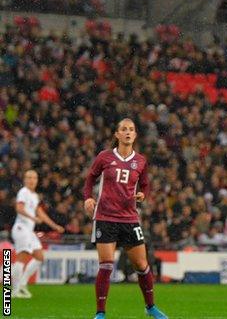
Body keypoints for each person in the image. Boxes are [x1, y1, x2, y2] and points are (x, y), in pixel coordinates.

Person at [83, 118, 168, 319]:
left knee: (142, 265)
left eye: (131, 129)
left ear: (135, 135)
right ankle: (100, 313)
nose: (128, 132)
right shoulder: (104, 157)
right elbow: (90, 178)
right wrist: (88, 198)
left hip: (130, 219)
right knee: (107, 264)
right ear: (117, 134)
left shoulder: (141, 161)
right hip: (105, 217)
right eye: (124, 129)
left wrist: (143, 195)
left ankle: (150, 307)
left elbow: (145, 184)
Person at [11, 170, 65, 298]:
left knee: (40, 257)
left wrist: (54, 226)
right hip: (21, 229)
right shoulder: (23, 192)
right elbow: (19, 208)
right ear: (24, 180)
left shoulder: (34, 195)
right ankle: (14, 290)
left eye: (34, 178)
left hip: (29, 231)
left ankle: (22, 284)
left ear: (37, 180)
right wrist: (33, 218)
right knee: (22, 258)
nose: (31, 180)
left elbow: (40, 213)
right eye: (29, 177)